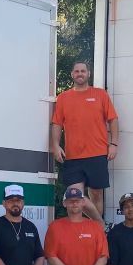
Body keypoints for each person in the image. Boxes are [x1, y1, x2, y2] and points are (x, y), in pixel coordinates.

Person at [51, 61, 119, 224]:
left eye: (83, 71)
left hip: (98, 153)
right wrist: (55, 145)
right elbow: (57, 124)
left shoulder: (100, 94)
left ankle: (95, 231)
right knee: (74, 193)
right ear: (72, 75)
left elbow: (113, 119)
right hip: (73, 156)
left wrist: (114, 144)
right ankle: (101, 225)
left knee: (96, 194)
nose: (79, 73)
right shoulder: (63, 98)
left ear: (88, 74)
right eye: (76, 71)